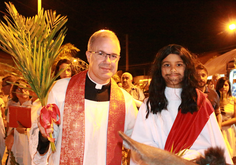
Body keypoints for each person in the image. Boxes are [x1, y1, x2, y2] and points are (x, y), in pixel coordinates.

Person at [31, 29, 138, 165]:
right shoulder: (61, 90)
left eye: (113, 56)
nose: (108, 61)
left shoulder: (125, 101)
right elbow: (46, 138)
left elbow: (136, 142)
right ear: (88, 56)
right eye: (101, 53)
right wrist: (44, 136)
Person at [130, 44, 232, 165]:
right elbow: (141, 144)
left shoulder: (201, 103)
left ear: (187, 68)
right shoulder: (149, 105)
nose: (173, 69)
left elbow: (215, 145)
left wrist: (191, 156)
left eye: (179, 64)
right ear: (160, 69)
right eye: (167, 65)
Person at [5, 79, 32, 165]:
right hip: (16, 142)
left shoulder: (34, 106)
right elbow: (10, 126)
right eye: (19, 89)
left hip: (28, 143)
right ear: (15, 92)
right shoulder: (13, 107)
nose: (23, 91)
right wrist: (10, 135)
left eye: (25, 88)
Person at [216, 77, 236, 161]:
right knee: (221, 157)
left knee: (231, 157)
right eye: (222, 85)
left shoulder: (233, 100)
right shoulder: (214, 99)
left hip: (229, 131)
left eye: (226, 85)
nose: (224, 87)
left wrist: (221, 124)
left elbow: (235, 118)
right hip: (217, 131)